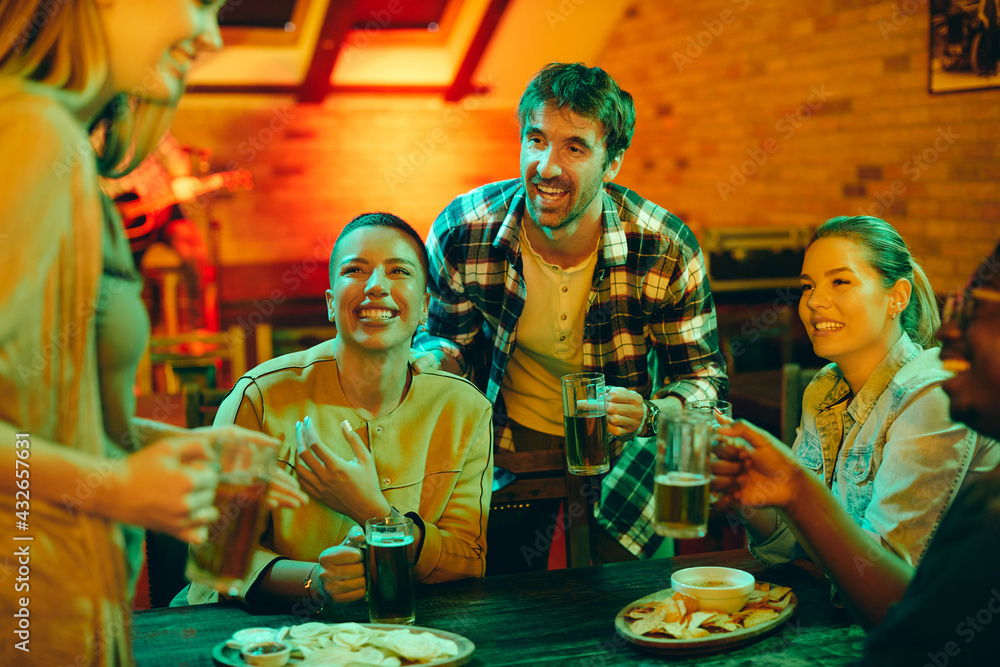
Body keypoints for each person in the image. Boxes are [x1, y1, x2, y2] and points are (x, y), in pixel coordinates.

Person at [0, 2, 303, 665]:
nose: (212, 32)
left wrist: (187, 447)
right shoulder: (33, 133)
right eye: (198, 3)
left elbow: (41, 421)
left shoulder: (60, 147)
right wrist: (116, 486)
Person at [413, 62, 727, 571]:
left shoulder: (665, 247)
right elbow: (445, 342)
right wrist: (432, 361)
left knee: (633, 610)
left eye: (574, 147)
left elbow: (704, 381)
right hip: (504, 448)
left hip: (628, 455)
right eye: (536, 140)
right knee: (502, 610)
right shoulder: (462, 229)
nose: (547, 165)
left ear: (613, 162)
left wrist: (649, 413)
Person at [185, 213, 493, 610]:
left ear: (424, 308)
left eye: (398, 270)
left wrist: (374, 512)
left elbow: (468, 562)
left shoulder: (466, 408)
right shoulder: (259, 398)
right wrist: (315, 582)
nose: (377, 286)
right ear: (332, 304)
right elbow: (216, 558)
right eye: (355, 270)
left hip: (410, 634)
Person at [718, 240, 1000, 665]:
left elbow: (892, 606)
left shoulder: (931, 392)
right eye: (808, 286)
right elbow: (787, 546)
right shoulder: (824, 388)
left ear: (897, 297)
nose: (815, 302)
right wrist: (751, 491)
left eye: (841, 282)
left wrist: (796, 487)